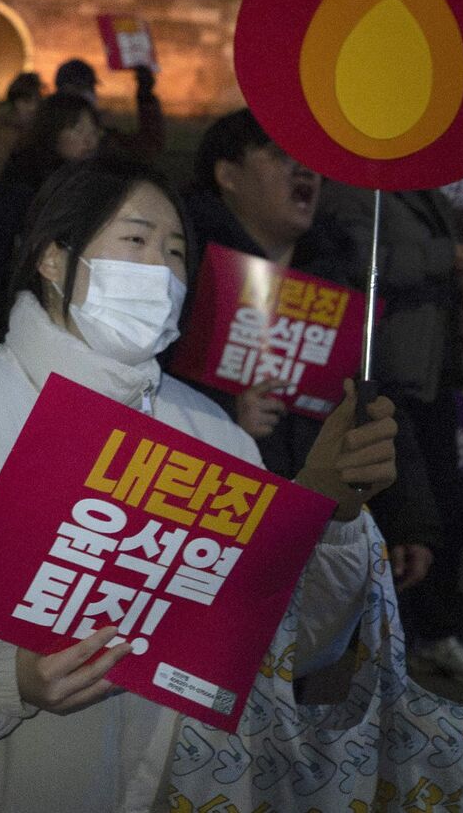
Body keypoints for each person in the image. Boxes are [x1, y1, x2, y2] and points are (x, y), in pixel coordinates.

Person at [0, 156, 463, 812]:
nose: (161, 270)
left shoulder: (216, 436)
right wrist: (3, 678)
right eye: (135, 240)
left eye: (176, 251)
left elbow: (283, 648)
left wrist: (328, 514)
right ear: (52, 258)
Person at [184, 109, 445, 591]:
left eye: (310, 161)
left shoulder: (338, 282)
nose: (304, 170)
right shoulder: (186, 273)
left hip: (311, 535)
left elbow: (377, 404)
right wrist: (226, 414)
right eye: (279, 155)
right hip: (203, 527)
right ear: (228, 175)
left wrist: (408, 519)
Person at [323, 177, 463, 689]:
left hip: (428, 373)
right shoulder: (355, 189)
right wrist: (440, 256)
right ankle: (387, 633)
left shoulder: (419, 187)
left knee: (435, 508)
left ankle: (429, 631)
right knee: (397, 509)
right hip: (386, 370)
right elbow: (362, 263)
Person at [0, 92, 102, 318]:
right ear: (52, 130)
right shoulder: (22, 182)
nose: (88, 140)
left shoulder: (95, 185)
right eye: (77, 129)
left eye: (94, 131)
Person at [0, 72, 42, 187]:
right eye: (26, 101)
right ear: (15, 102)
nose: (32, 108)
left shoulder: (34, 131)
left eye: (36, 102)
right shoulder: (2, 132)